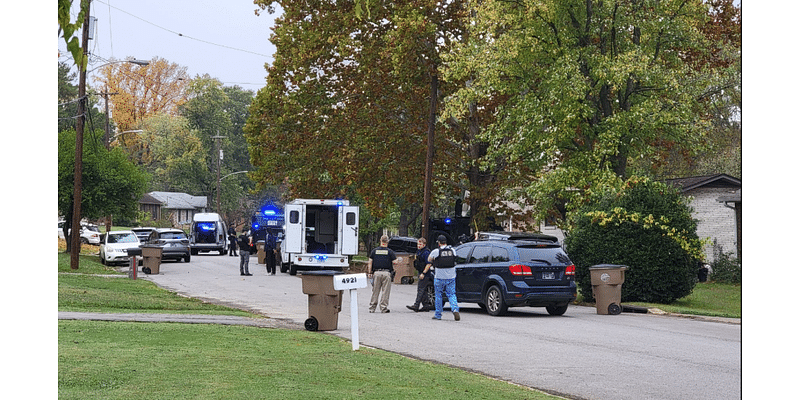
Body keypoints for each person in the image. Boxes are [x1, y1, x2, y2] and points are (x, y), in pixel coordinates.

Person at [428, 235, 460, 321]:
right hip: (451, 276)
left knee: (438, 295)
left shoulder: (436, 251)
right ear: (446, 242)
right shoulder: (453, 250)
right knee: (452, 294)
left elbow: (429, 259)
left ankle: (438, 314)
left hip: (439, 277)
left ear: (439, 243)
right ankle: (455, 309)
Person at [367, 235, 398, 313]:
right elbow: (395, 262)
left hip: (376, 273)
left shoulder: (374, 251)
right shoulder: (390, 251)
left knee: (375, 291)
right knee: (385, 292)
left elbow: (370, 262)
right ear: (387, 241)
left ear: (380, 240)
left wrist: (369, 272)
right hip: (386, 273)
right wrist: (398, 260)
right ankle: (383, 308)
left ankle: (372, 308)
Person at [407, 237, 433, 312]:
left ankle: (416, 305)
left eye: (420, 244)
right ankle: (426, 305)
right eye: (418, 244)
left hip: (425, 273)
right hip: (420, 271)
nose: (418, 245)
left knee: (420, 289)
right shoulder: (419, 251)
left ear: (424, 244)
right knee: (423, 290)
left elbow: (428, 264)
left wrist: (423, 273)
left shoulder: (426, 252)